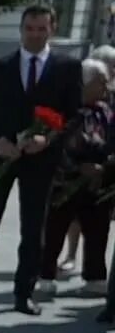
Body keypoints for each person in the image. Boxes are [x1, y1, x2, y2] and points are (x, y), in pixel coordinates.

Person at [0, 3, 84, 315]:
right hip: (0, 158)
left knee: (33, 228)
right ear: (21, 29)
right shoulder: (0, 68)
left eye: (41, 28)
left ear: (52, 30)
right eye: (29, 28)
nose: (34, 34)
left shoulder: (67, 68)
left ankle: (23, 293)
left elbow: (75, 116)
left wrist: (49, 138)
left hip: (41, 160)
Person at [36, 56, 113, 300]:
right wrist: (79, 167)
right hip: (66, 180)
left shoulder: (105, 111)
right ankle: (45, 275)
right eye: (101, 82)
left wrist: (105, 166)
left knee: (98, 229)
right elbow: (57, 143)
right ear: (86, 83)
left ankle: (95, 276)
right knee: (55, 228)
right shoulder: (69, 108)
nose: (106, 87)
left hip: (98, 182)